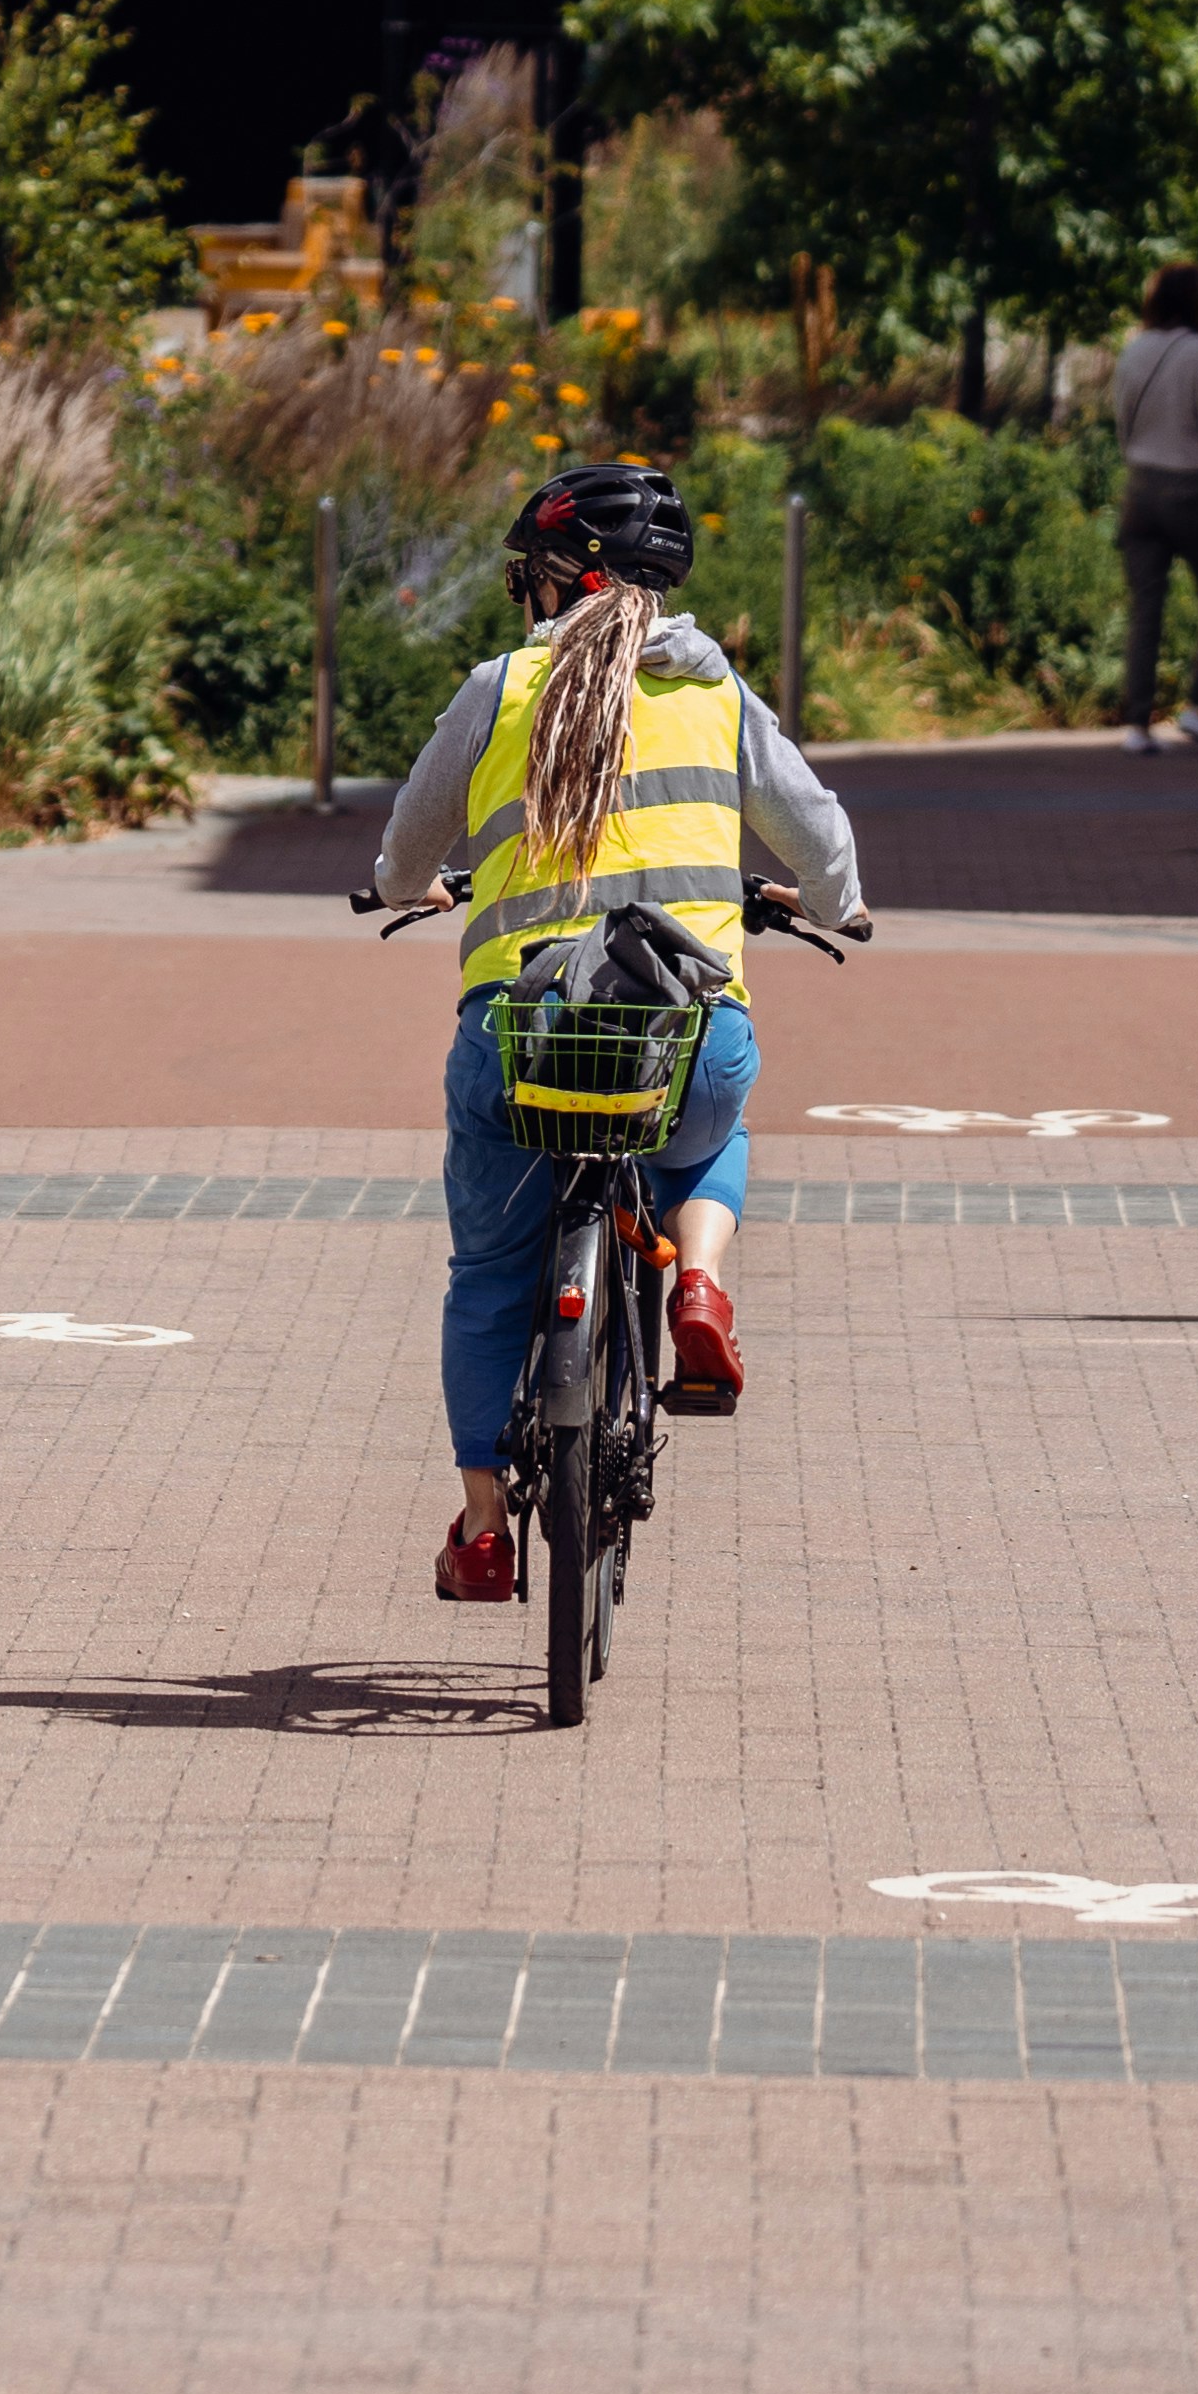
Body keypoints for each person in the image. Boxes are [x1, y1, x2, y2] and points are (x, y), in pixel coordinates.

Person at [365, 460, 868, 1606]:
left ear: (559, 583)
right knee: (714, 1127)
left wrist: (417, 885)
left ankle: (486, 1527)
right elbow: (821, 840)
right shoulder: (717, 694)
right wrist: (838, 908)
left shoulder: (501, 687)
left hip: (521, 1036)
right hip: (681, 1038)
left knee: (490, 1270)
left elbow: (402, 853)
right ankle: (697, 1281)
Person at [1110, 258, 1198, 751]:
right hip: (1190, 488)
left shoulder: (1133, 349)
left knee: (1146, 608)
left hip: (1140, 487)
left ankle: (1138, 723)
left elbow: (1121, 419)